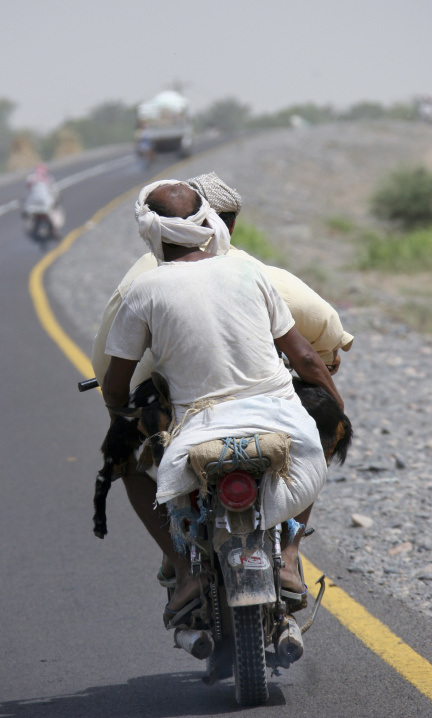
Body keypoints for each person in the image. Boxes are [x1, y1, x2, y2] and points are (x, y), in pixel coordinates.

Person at [102, 180, 344, 623]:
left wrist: (120, 413)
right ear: (210, 222)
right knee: (326, 424)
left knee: (127, 464)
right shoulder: (253, 273)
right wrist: (337, 406)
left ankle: (183, 570)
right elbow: (307, 357)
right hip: (282, 423)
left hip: (197, 433)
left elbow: (116, 384)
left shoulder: (143, 290)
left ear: (150, 231)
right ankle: (289, 556)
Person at [91, 172, 353, 390]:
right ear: (226, 225)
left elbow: (107, 369)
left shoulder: (140, 282)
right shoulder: (255, 273)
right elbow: (321, 340)